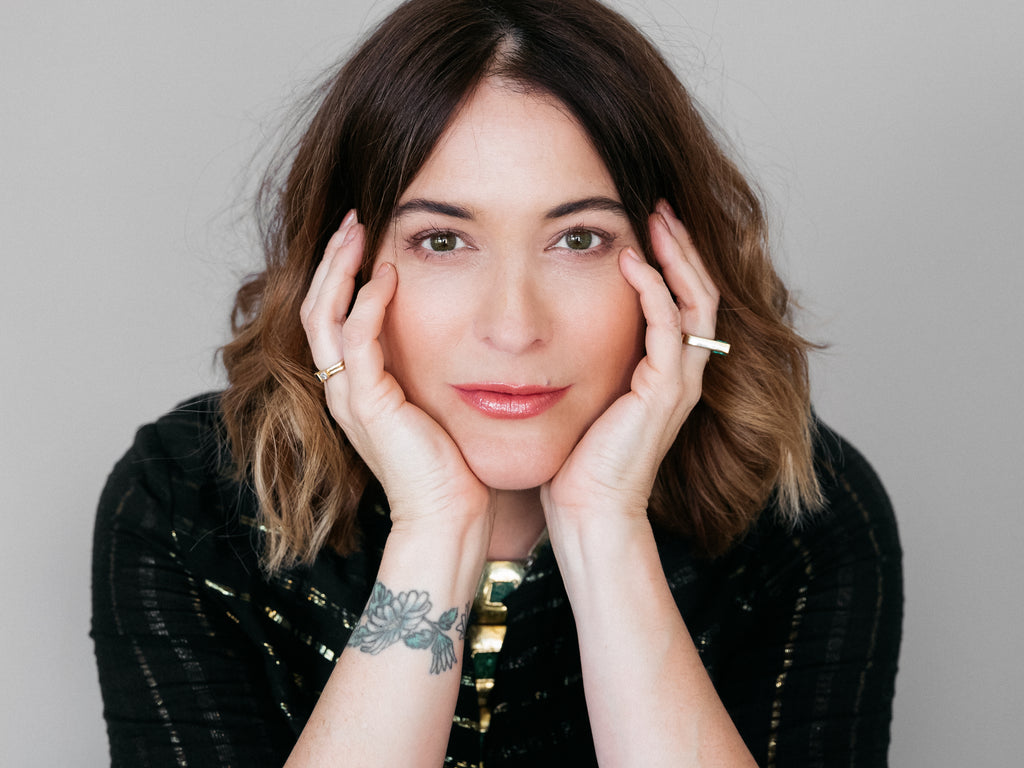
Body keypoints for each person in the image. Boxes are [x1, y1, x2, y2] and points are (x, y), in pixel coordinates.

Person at [91, 0, 903, 765]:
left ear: (674, 265)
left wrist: (605, 527)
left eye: (578, 239)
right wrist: (433, 529)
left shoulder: (804, 513)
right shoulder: (186, 501)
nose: (514, 327)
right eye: (443, 241)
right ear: (345, 268)